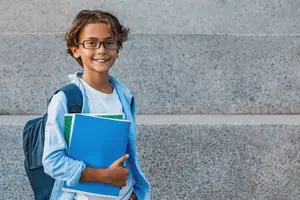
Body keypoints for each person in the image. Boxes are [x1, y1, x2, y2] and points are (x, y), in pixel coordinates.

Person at [42, 9, 150, 200]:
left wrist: (133, 194)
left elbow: (126, 152)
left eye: (109, 42)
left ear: (118, 48)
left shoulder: (125, 97)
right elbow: (53, 162)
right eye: (91, 43)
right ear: (76, 49)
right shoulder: (66, 99)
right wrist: (105, 176)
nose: (101, 50)